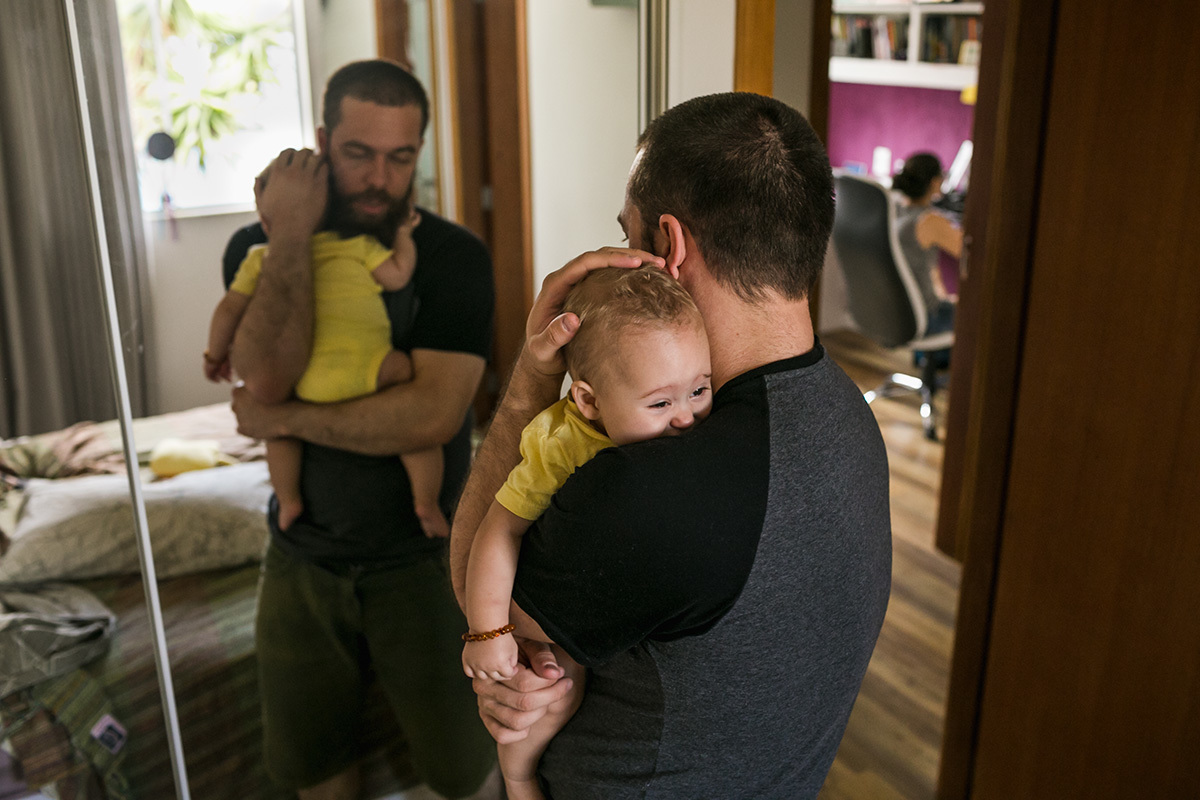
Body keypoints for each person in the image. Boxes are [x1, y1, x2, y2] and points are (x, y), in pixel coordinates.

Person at [449, 91, 894, 799]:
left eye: (624, 237)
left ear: (668, 248)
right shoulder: (849, 412)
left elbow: (476, 577)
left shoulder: (661, 481)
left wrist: (536, 373)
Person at [223, 59, 496, 799]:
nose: (380, 177)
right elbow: (270, 372)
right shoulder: (259, 247)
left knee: (463, 776)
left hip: (426, 563)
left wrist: (279, 421)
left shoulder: (453, 260)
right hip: (301, 561)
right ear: (320, 142)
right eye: (357, 153)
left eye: (400, 157)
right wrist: (289, 239)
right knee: (317, 774)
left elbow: (432, 415)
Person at [461, 266, 713, 800]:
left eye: (700, 389)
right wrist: (488, 632)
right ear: (589, 401)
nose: (687, 418)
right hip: (547, 596)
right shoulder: (559, 445)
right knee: (547, 692)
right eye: (661, 403)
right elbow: (499, 531)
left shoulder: (693, 429)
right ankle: (519, 779)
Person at [205, 195, 451, 538]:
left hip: (306, 380)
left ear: (268, 224)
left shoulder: (259, 257)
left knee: (276, 422)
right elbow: (398, 276)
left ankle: (289, 500)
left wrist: (215, 355)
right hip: (372, 368)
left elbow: (229, 309)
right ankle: (426, 503)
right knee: (411, 408)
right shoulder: (355, 245)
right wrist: (402, 235)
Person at [891, 151, 964, 336]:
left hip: (898, 313)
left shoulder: (895, 211)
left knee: (950, 299)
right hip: (926, 317)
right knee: (977, 312)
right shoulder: (929, 221)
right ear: (935, 182)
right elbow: (970, 251)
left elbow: (929, 268)